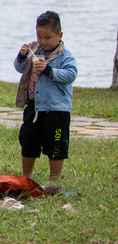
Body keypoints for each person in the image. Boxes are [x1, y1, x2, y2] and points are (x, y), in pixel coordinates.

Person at [13, 10, 78, 182]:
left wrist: (49, 70)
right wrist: (21, 56)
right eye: (39, 37)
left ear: (59, 35)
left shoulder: (65, 55)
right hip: (34, 106)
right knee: (28, 140)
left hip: (56, 108)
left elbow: (71, 74)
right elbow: (19, 68)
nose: (42, 41)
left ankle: (54, 178)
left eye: (47, 38)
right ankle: (27, 176)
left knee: (56, 143)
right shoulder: (35, 51)